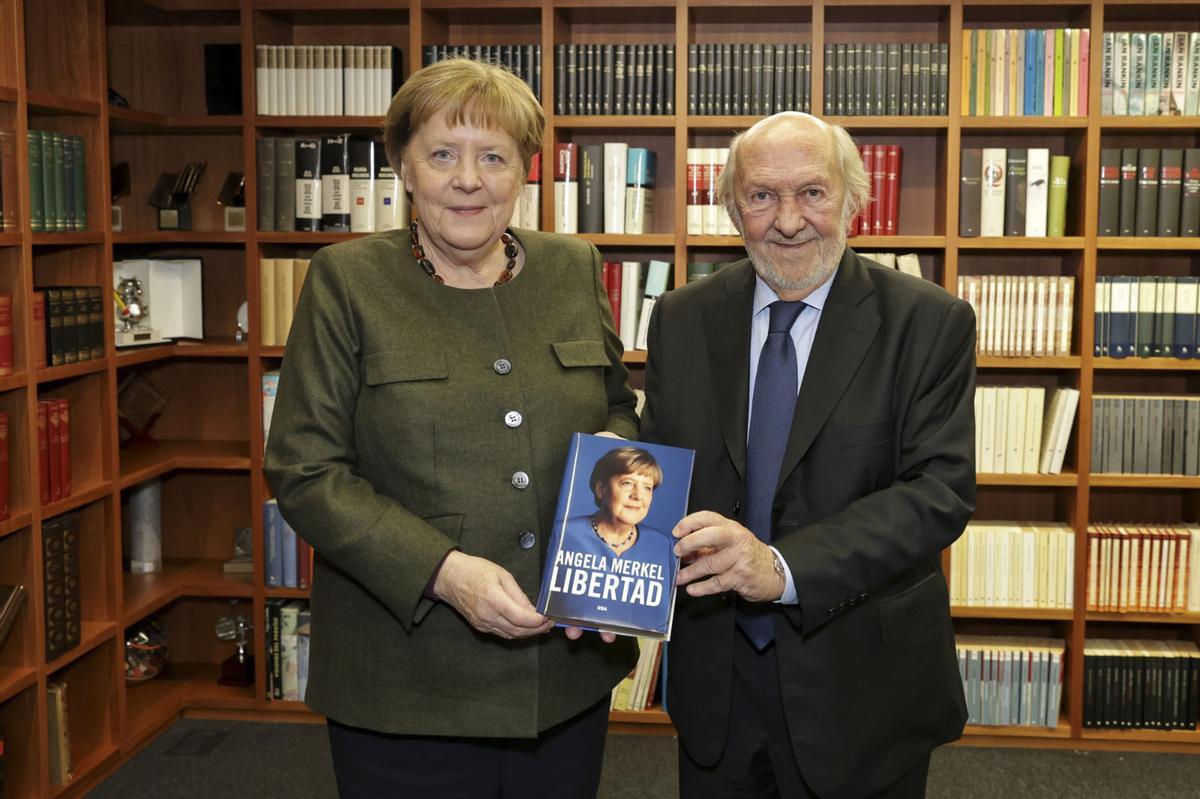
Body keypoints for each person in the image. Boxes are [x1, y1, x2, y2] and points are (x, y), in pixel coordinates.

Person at [263, 58, 638, 798]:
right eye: (442, 154)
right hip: (406, 682)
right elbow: (306, 470)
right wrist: (443, 570)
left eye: (493, 156)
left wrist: (611, 551)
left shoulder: (572, 266)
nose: (468, 179)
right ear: (404, 167)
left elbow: (616, 411)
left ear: (524, 171)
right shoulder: (346, 279)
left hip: (561, 675)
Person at [642, 111, 976, 798]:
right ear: (733, 207)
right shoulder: (680, 317)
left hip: (862, 685)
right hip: (717, 686)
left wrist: (782, 567)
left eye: (813, 193)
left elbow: (938, 492)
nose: (788, 220)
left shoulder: (929, 322)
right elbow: (658, 466)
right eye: (762, 195)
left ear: (855, 199)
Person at [547, 446, 677, 634]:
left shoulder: (663, 546)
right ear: (601, 489)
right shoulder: (563, 534)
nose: (637, 496)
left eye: (647, 487)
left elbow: (658, 622)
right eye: (627, 483)